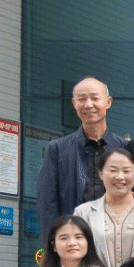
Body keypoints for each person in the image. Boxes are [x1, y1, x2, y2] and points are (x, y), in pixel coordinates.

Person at [38, 76, 128, 232]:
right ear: (74, 103)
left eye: (95, 98)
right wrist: (53, 242)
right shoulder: (57, 150)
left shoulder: (126, 149)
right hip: (74, 238)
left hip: (116, 238)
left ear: (108, 102)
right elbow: (47, 205)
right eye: (82, 99)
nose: (88, 104)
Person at [76, 147, 134, 267]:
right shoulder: (83, 213)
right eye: (113, 170)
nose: (120, 177)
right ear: (100, 174)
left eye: (126, 171)